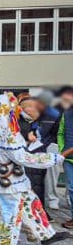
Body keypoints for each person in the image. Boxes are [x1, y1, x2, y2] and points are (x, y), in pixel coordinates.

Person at [0, 93, 69, 245]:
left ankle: (46, 234)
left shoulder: (5, 128)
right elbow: (24, 158)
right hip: (7, 183)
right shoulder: (6, 133)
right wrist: (53, 159)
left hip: (15, 179)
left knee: (30, 202)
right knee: (10, 215)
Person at [35, 90, 62, 211]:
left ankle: (52, 199)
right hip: (33, 146)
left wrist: (44, 144)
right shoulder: (33, 112)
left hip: (50, 145)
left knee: (52, 174)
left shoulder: (55, 114)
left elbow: (54, 133)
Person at [57, 86, 73, 228]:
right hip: (68, 159)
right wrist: (63, 149)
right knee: (72, 189)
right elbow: (61, 133)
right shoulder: (66, 114)